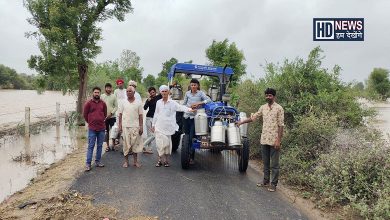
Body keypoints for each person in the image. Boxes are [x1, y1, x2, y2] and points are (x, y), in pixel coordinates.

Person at [236, 88, 284, 192]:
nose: (268, 97)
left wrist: (278, 140)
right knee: (266, 162)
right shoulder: (263, 107)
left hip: (274, 140)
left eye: (270, 95)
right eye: (267, 95)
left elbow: (281, 125)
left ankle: (273, 184)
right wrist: (241, 122)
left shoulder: (279, 108)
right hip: (264, 139)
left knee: (274, 164)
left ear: (274, 97)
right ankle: (265, 181)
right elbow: (253, 118)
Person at [152, 85, 194, 167]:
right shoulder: (158, 102)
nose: (164, 93)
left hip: (168, 127)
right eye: (162, 91)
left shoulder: (173, 103)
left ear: (168, 92)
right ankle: (160, 160)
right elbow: (156, 114)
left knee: (167, 145)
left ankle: (166, 161)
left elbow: (181, 107)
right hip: (159, 126)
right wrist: (153, 124)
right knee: (159, 144)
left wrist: (189, 109)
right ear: (160, 92)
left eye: (165, 91)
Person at [182, 78, 212, 164]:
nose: (193, 86)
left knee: (192, 137)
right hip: (187, 116)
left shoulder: (201, 93)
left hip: (196, 118)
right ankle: (186, 153)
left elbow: (209, 100)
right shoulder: (187, 93)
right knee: (186, 136)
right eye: (192, 85)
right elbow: (184, 104)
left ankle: (191, 157)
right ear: (190, 86)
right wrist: (187, 108)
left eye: (195, 85)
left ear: (197, 86)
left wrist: (199, 103)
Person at [118, 86, 144, 168]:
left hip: (135, 126)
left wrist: (141, 126)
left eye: (130, 91)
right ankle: (126, 162)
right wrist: (120, 125)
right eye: (127, 91)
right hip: (125, 126)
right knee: (126, 145)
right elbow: (120, 114)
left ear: (134, 92)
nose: (128, 92)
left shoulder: (138, 102)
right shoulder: (123, 102)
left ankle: (135, 162)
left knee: (135, 145)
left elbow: (140, 115)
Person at [83, 86, 107, 171]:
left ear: (100, 93)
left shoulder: (103, 103)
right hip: (92, 128)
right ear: (92, 93)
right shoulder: (88, 103)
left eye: (98, 92)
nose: (97, 94)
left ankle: (98, 161)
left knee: (100, 145)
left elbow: (105, 113)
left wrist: (100, 119)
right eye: (95, 92)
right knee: (91, 146)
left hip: (101, 128)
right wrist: (90, 121)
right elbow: (85, 115)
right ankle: (88, 164)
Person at [143, 87, 162, 154]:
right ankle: (149, 149)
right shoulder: (149, 99)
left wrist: (171, 86)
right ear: (149, 93)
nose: (152, 94)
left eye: (153, 92)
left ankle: (143, 145)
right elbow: (145, 108)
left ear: (155, 92)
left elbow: (164, 90)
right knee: (149, 134)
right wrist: (148, 101)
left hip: (155, 118)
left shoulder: (158, 97)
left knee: (154, 134)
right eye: (151, 93)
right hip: (148, 117)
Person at [101, 83, 118, 152]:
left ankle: (113, 145)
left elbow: (116, 106)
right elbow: (100, 106)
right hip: (104, 117)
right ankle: (107, 146)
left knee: (114, 131)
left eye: (110, 88)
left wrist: (111, 113)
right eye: (107, 88)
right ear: (105, 88)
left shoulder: (114, 96)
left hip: (112, 116)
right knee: (106, 132)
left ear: (111, 89)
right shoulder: (102, 96)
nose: (108, 89)